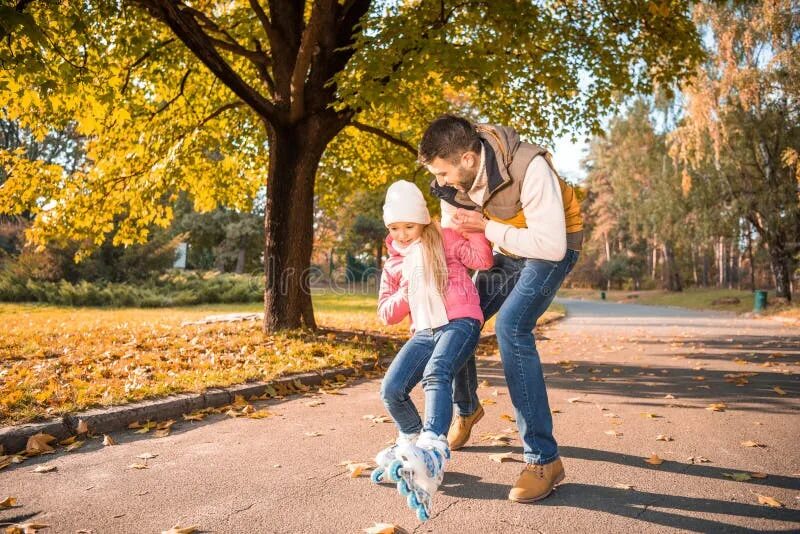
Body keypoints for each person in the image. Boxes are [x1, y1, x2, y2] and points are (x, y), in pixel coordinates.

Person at [418, 114, 583, 503]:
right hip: (505, 249)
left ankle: (544, 460)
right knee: (458, 316)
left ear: (469, 160)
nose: (439, 182)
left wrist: (486, 228)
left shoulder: (530, 167)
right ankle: (468, 408)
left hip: (551, 249)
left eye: (443, 172)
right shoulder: (451, 185)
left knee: (511, 328)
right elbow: (457, 238)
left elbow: (551, 246)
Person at [372, 179, 493, 520]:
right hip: (424, 330)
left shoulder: (446, 238)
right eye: (395, 227)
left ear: (423, 221)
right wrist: (406, 290)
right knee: (392, 389)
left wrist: (472, 227)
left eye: (409, 226)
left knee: (436, 373)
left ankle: (433, 446)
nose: (403, 234)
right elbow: (385, 314)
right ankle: (411, 441)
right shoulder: (394, 264)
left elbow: (483, 259)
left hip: (460, 321)